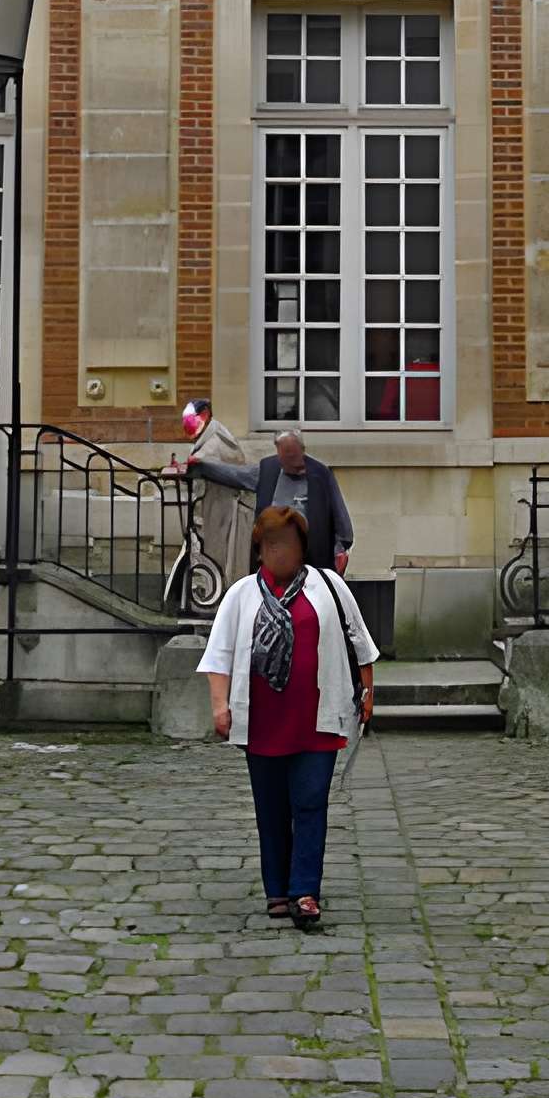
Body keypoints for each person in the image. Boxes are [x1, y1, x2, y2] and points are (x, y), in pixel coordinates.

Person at [199, 506, 378, 929]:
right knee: (272, 808)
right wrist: (219, 705)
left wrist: (367, 692)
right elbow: (219, 654)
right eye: (274, 543)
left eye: (291, 543)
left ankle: (305, 891)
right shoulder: (241, 594)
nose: (282, 551)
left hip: (318, 718)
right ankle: (277, 890)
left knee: (311, 802)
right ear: (260, 548)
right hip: (261, 721)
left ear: (302, 547)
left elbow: (360, 641)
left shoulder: (328, 586)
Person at [188, 428, 354, 575]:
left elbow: (342, 521)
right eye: (287, 456)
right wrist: (202, 467)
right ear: (279, 454)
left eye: (295, 455)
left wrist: (340, 549)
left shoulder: (321, 474)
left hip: (312, 561)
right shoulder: (268, 470)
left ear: (302, 450)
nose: (295, 462)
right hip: (271, 559)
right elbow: (236, 475)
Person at [167, 398, 255, 610]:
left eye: (191, 419)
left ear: (204, 416)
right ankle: (207, 600)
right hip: (211, 508)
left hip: (221, 510)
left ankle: (212, 604)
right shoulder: (210, 437)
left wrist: (190, 465)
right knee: (207, 557)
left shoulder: (218, 441)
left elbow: (209, 462)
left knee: (218, 560)